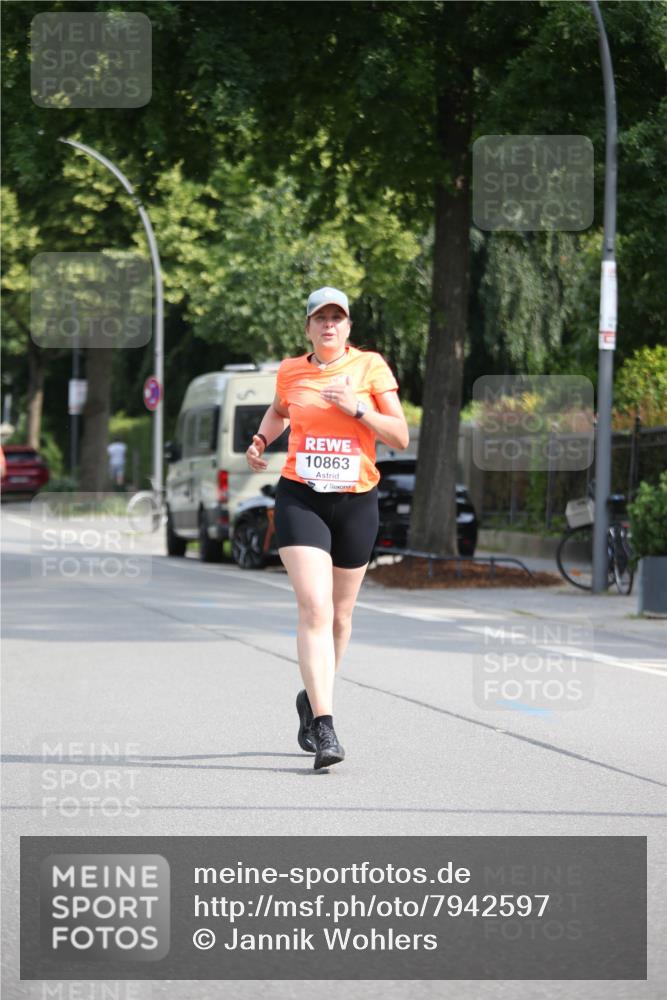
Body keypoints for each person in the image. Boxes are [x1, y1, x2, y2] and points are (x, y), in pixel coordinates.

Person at [246, 287, 409, 770]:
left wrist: (356, 407)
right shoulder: (291, 371)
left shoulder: (370, 367)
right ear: (309, 328)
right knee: (314, 608)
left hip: (356, 500)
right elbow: (279, 411)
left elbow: (400, 435)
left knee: (340, 616)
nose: (330, 325)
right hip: (301, 496)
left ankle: (311, 697)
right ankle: (325, 726)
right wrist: (260, 440)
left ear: (348, 327)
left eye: (338, 317)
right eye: (321, 318)